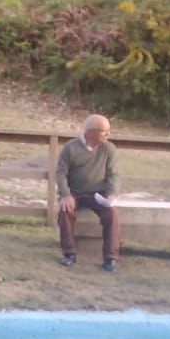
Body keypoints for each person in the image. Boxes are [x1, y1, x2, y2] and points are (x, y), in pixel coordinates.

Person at [55, 113, 121, 272]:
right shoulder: (70, 147)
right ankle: (69, 254)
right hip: (74, 192)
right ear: (90, 132)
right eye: (104, 131)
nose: (108, 134)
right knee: (65, 211)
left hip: (98, 194)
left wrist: (111, 194)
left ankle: (110, 258)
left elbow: (113, 174)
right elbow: (60, 172)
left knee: (111, 214)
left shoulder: (109, 149)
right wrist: (65, 195)